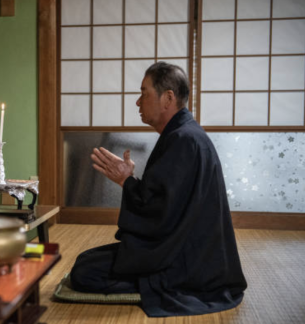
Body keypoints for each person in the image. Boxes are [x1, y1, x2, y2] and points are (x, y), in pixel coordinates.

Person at [70, 62, 247, 317]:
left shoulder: (184, 139)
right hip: (183, 247)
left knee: (85, 272)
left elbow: (158, 212)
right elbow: (164, 203)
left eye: (144, 93)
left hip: (184, 259)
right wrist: (127, 180)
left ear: (168, 98)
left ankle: (153, 285)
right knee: (85, 260)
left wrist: (126, 181)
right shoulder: (183, 134)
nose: (138, 102)